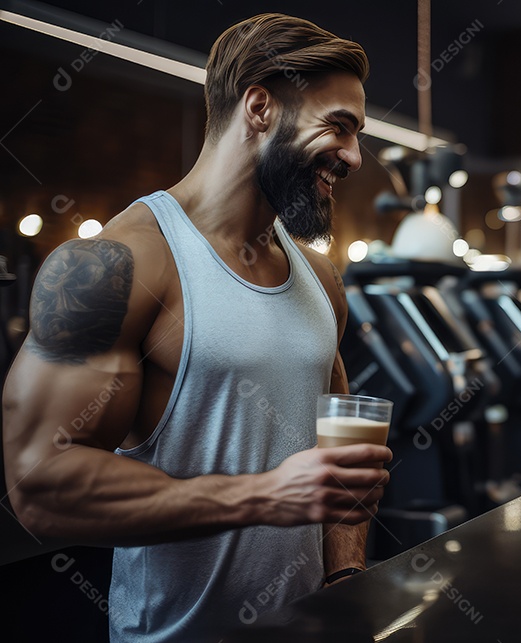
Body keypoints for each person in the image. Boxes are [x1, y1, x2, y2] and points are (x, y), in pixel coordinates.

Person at [2, 14, 390, 641]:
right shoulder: (120, 263)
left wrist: (346, 575)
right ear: (260, 107)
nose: (352, 155)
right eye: (338, 128)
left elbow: (338, 451)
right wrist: (262, 497)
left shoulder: (320, 277)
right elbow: (41, 487)